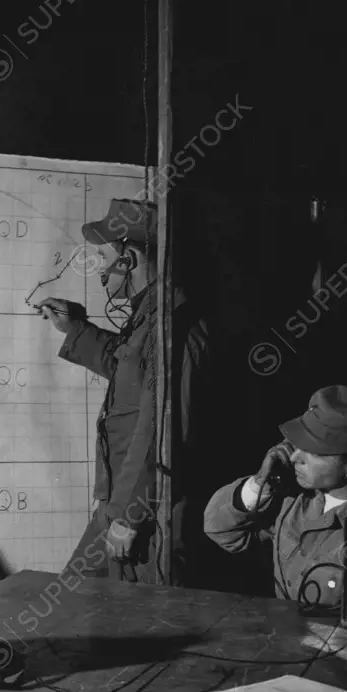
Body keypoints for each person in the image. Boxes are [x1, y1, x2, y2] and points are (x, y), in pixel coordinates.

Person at [37, 198, 209, 586]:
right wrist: (76, 328)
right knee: (78, 599)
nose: (99, 269)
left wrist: (129, 516)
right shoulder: (150, 320)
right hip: (122, 504)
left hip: (145, 512)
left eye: (104, 256)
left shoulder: (174, 327)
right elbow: (127, 367)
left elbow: (160, 428)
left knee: (130, 621)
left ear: (128, 259)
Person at [204, 385, 347, 608]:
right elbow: (221, 532)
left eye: (313, 452)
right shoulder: (294, 499)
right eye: (298, 445)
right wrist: (259, 485)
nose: (294, 457)